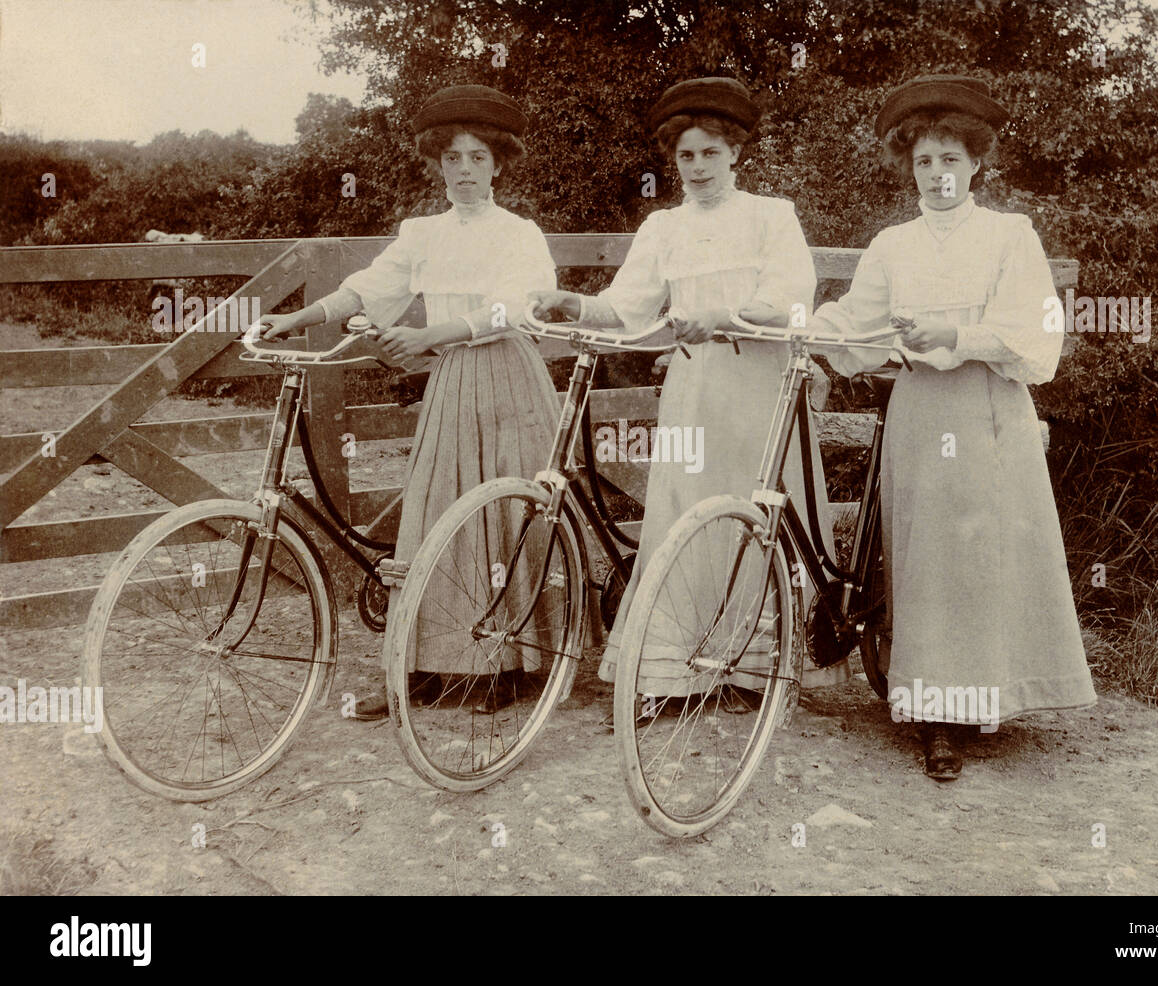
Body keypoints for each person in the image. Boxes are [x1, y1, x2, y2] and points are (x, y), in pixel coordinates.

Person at [805, 74, 1097, 778]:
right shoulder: (894, 246)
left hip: (987, 408)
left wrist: (955, 333)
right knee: (928, 559)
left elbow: (1033, 332)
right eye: (924, 163)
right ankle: (935, 715)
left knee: (979, 558)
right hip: (920, 412)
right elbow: (859, 322)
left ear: (976, 165)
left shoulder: (1007, 236)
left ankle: (980, 702)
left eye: (951, 161)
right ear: (911, 169)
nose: (938, 175)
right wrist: (803, 331)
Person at [532, 77, 844, 717]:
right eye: (685, 156)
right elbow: (627, 308)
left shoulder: (770, 215)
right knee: (684, 511)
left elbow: (792, 297)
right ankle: (677, 670)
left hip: (762, 388)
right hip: (694, 387)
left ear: (736, 152)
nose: (698, 167)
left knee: (760, 514)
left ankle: (760, 670)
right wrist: (575, 302)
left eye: (710, 153)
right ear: (673, 161)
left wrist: (725, 315)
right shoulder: (662, 227)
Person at [258, 84, 560, 719]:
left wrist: (430, 334)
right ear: (438, 164)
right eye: (453, 159)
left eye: (479, 158)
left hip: (507, 377)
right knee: (436, 512)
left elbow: (512, 307)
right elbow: (369, 289)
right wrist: (298, 317)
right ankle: (426, 665)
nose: (466, 172)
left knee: (503, 513)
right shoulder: (423, 232)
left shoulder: (519, 233)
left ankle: (508, 664)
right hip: (452, 382)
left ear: (499, 163)